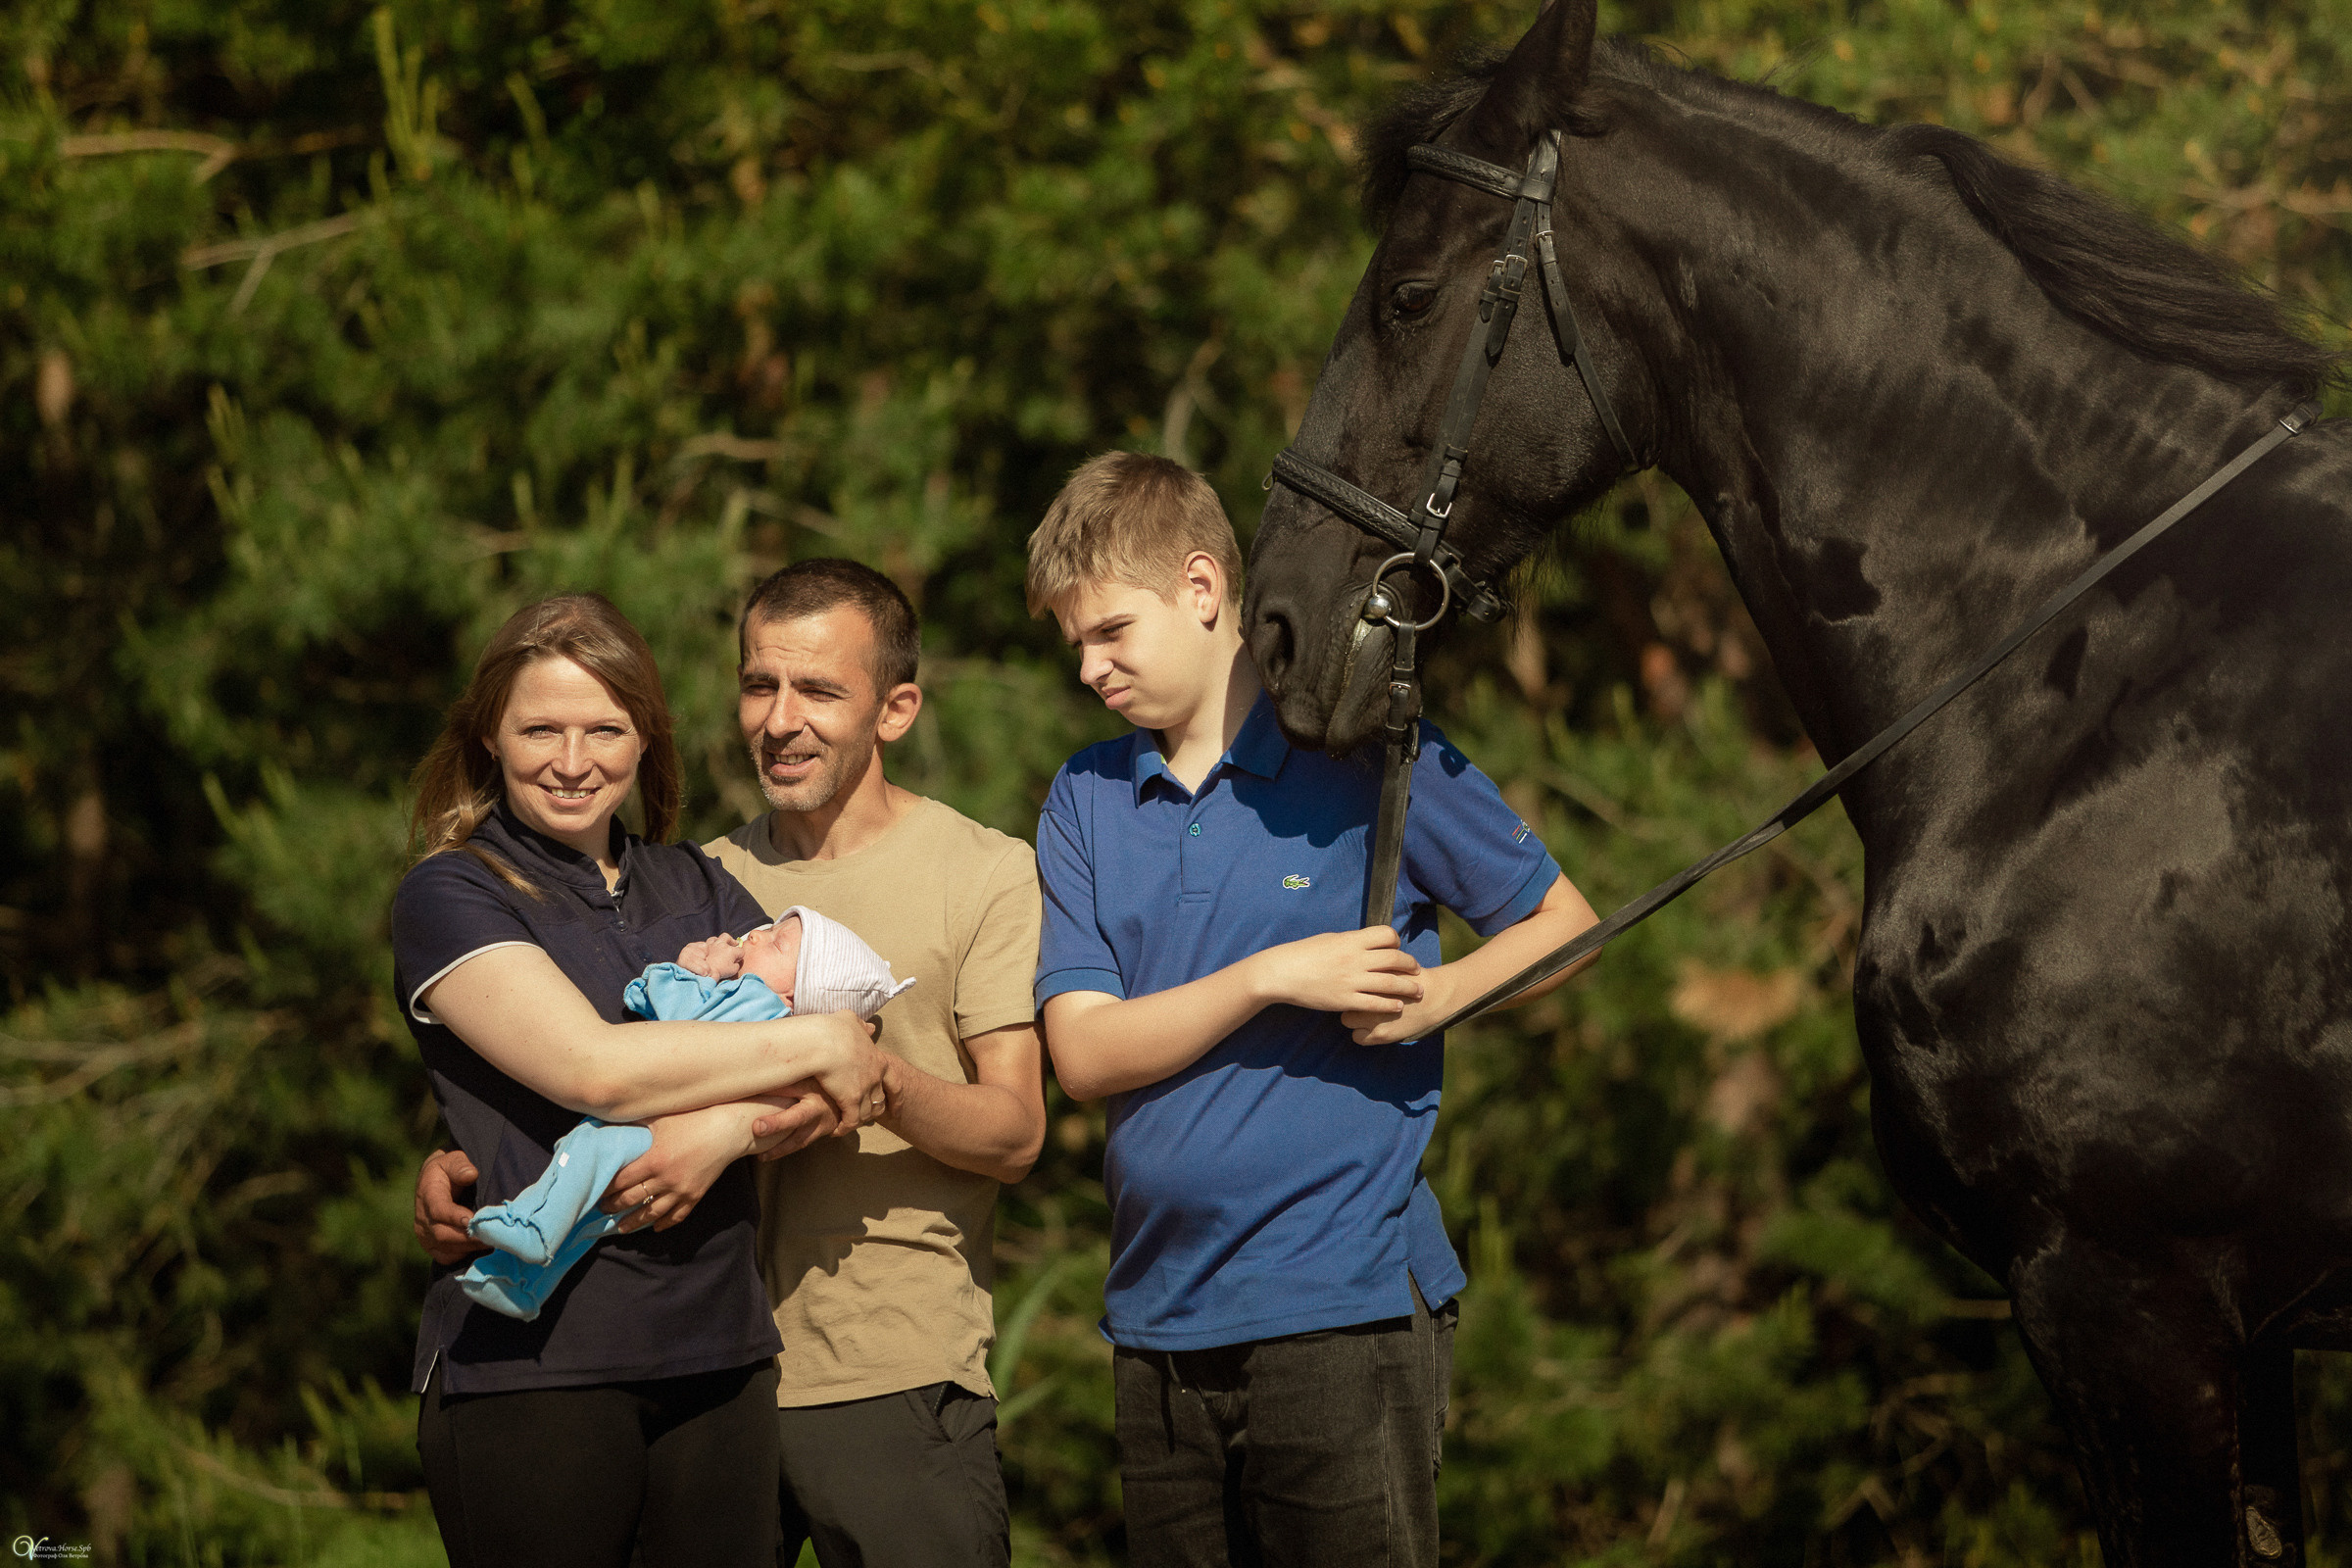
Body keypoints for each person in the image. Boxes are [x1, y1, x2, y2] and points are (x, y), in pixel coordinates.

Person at [1025, 454, 1602, 1568]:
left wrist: (1441, 996)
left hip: (1341, 1310)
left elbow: (1564, 921)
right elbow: (1085, 1055)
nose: (1090, 669)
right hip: (1156, 1326)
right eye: (1075, 647)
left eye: (1108, 633)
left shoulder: (1368, 754)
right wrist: (1270, 976)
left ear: (1202, 589)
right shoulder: (1087, 798)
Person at [416, 560, 1045, 1568]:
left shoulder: (975, 869)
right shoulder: (712, 873)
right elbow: (568, 1053)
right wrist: (457, 1154)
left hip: (877, 1359)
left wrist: (739, 1122)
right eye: (760, 685)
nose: (781, 718)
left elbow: (1012, 1130)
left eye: (820, 690)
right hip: (728, 1360)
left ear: (897, 709)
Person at [459, 909, 914, 1322]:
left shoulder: (757, 1002)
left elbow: (678, 1016)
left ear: (797, 994)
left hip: (651, 1126)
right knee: (589, 1218)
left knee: (583, 1149)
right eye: (768, 928)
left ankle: (531, 1221)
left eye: (776, 943)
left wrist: (695, 970)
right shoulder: (783, 1028)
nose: (754, 937)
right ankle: (517, 1282)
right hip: (671, 1141)